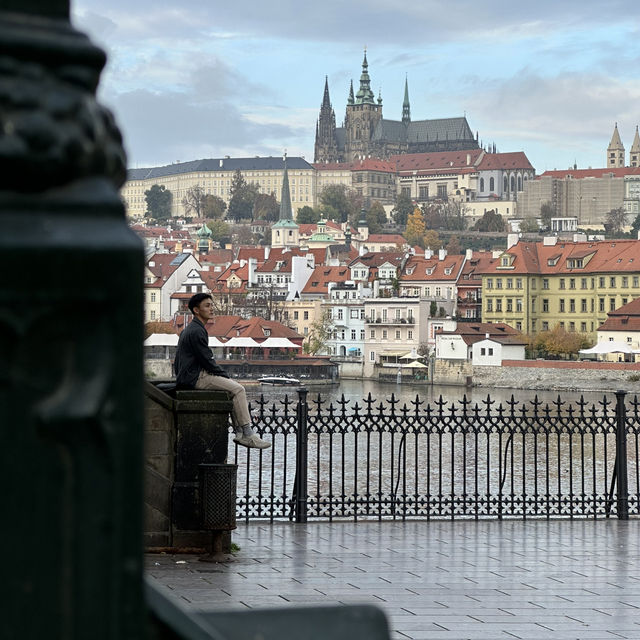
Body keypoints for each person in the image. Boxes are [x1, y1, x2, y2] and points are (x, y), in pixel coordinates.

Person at [175, 293, 270, 449]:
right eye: (207, 305)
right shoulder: (197, 331)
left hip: (189, 375)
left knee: (231, 388)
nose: (212, 308)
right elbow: (207, 360)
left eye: (212, 305)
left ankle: (239, 432)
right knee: (238, 389)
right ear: (196, 310)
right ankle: (247, 434)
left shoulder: (191, 329)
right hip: (195, 377)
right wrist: (224, 375)